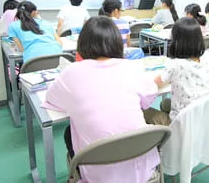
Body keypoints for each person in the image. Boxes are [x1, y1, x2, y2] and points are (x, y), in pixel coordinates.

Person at [44, 16, 160, 183]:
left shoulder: (71, 72)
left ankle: (74, 175)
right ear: (116, 42)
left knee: (69, 132)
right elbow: (148, 99)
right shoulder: (132, 67)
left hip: (98, 174)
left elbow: (51, 100)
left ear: (82, 44)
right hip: (141, 168)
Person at [143, 17, 209, 125]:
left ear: (176, 40)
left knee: (143, 110)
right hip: (202, 116)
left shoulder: (175, 64)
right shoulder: (208, 56)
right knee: (165, 103)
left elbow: (155, 84)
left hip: (181, 124)